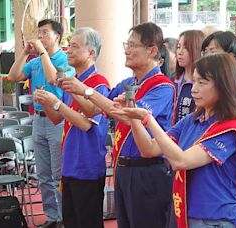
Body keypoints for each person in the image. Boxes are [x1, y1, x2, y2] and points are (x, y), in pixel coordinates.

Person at [112, 53, 236, 228]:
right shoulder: (192, 120)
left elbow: (181, 161)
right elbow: (149, 149)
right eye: (194, 81)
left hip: (213, 220)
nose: (194, 89)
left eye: (202, 82)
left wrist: (147, 119)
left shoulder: (231, 128)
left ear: (224, 86)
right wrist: (133, 115)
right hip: (183, 211)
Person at [58, 22, 174, 228]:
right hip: (123, 167)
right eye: (126, 45)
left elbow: (130, 116)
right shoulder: (126, 84)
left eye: (133, 45)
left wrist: (85, 91)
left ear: (152, 50)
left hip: (147, 170)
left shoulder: (162, 86)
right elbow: (97, 108)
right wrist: (79, 90)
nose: (127, 51)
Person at [33, 27, 110, 228]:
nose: (68, 51)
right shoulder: (73, 81)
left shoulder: (98, 84)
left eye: (75, 47)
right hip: (69, 162)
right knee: (70, 221)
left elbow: (86, 123)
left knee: (87, 221)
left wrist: (57, 103)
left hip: (87, 165)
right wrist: (46, 102)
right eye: (69, 46)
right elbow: (58, 119)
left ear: (91, 53)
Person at [8, 19, 74, 228]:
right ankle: (52, 218)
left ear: (57, 37)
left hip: (58, 119)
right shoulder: (34, 61)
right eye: (39, 33)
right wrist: (25, 53)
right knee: (43, 174)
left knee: (57, 174)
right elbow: (13, 76)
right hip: (38, 118)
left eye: (45, 33)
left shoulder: (65, 60)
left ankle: (64, 219)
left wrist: (43, 53)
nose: (40, 37)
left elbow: (54, 79)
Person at [201, 31, 236, 117]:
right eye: (205, 52)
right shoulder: (203, 84)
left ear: (230, 56)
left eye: (213, 52)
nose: (207, 57)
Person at [173, 30, 204, 123]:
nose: (180, 52)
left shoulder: (203, 84)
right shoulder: (173, 80)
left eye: (185, 48)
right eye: (178, 47)